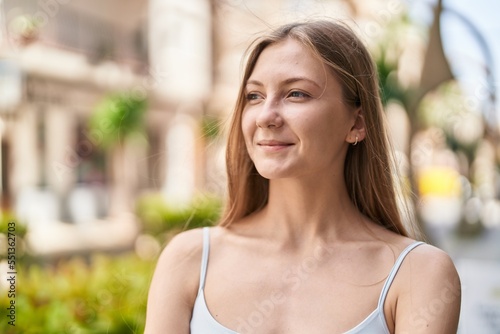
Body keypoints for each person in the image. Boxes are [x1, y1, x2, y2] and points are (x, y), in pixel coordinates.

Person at [145, 20, 461, 334]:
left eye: (296, 93)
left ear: (357, 123)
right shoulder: (188, 260)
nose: (265, 117)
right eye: (254, 96)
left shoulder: (418, 274)